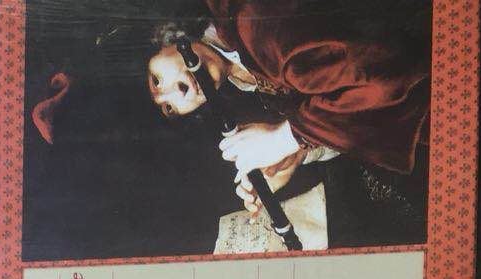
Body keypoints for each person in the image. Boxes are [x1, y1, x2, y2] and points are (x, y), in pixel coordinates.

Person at [142, 4, 430, 219]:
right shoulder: (242, 78)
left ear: (165, 40)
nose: (177, 92)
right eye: (169, 108)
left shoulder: (251, 22)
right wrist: (295, 155)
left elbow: (379, 79)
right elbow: (340, 104)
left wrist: (284, 138)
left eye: (156, 80)